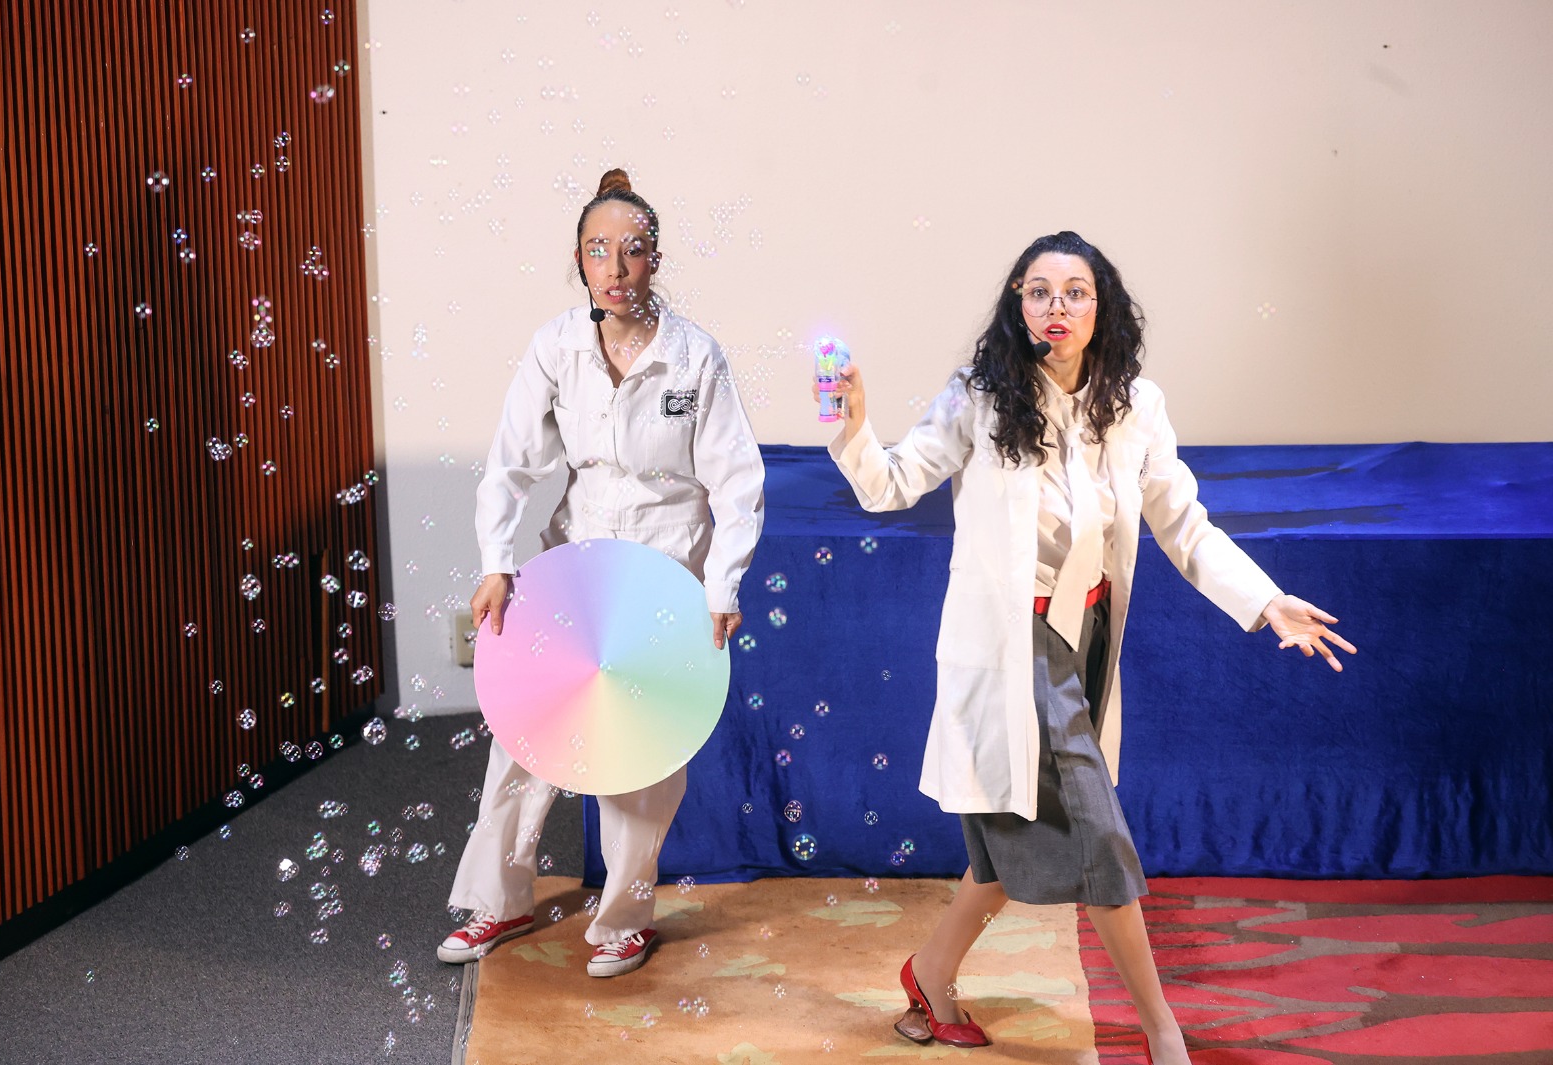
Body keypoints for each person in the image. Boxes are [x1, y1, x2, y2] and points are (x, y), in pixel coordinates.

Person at [821, 231, 1354, 1063]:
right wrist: (852, 426)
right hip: (1015, 645)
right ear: (1018, 305)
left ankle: (930, 973)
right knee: (1096, 836)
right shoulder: (980, 397)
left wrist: (1264, 599)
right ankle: (1163, 1032)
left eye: (1075, 291)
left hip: (1087, 638)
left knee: (1007, 841)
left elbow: (1184, 525)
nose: (1056, 306)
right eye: (1039, 291)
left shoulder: (1135, 405)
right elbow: (889, 484)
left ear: (1102, 307)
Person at [438, 169, 765, 978]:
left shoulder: (695, 356)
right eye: (597, 250)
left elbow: (737, 481)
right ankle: (499, 901)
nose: (615, 267)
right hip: (575, 572)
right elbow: (510, 465)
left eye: (632, 249)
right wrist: (496, 561)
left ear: (656, 259)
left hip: (665, 576)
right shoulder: (556, 347)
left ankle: (624, 918)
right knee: (524, 738)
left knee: (639, 761)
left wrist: (722, 584)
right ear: (578, 261)